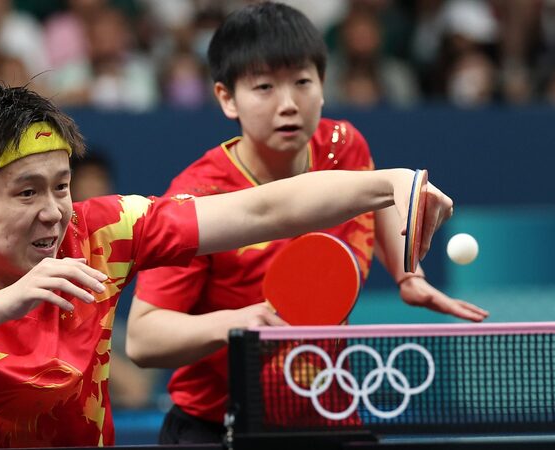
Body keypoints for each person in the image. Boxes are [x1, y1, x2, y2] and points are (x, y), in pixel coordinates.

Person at [0, 78, 454, 450]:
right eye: (28, 193)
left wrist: (387, 184)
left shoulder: (103, 230)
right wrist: (9, 300)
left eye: (62, 186)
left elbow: (264, 210)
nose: (55, 211)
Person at [126, 2, 489, 445]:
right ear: (226, 98)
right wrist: (239, 324)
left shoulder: (343, 147)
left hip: (324, 409)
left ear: (322, 85)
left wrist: (406, 274)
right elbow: (143, 339)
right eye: (263, 87)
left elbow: (376, 202)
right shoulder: (195, 199)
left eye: (302, 82)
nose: (288, 105)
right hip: (218, 423)